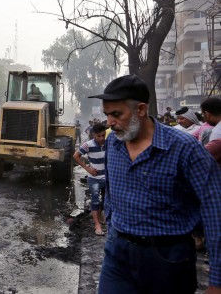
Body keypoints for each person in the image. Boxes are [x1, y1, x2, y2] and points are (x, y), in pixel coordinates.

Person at [89, 75, 221, 293]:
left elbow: (215, 210)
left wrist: (217, 281)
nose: (109, 122)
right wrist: (113, 229)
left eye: (116, 114)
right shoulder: (113, 142)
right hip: (118, 256)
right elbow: (111, 189)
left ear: (141, 110)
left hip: (168, 260)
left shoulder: (184, 148)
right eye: (107, 115)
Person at [73, 123, 107, 236]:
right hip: (95, 179)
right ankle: (97, 225)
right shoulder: (88, 145)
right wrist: (88, 168)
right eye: (99, 136)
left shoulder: (108, 144)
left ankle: (101, 215)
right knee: (95, 200)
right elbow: (75, 156)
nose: (102, 138)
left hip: (107, 178)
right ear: (94, 135)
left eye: (103, 135)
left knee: (106, 201)